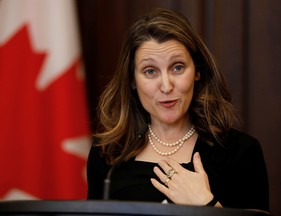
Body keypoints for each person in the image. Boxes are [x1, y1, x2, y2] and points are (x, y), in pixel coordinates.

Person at [87, 8, 269, 211]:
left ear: (197, 71)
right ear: (132, 80)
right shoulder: (108, 153)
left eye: (177, 67)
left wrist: (206, 204)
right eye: (150, 71)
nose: (166, 86)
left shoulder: (241, 151)